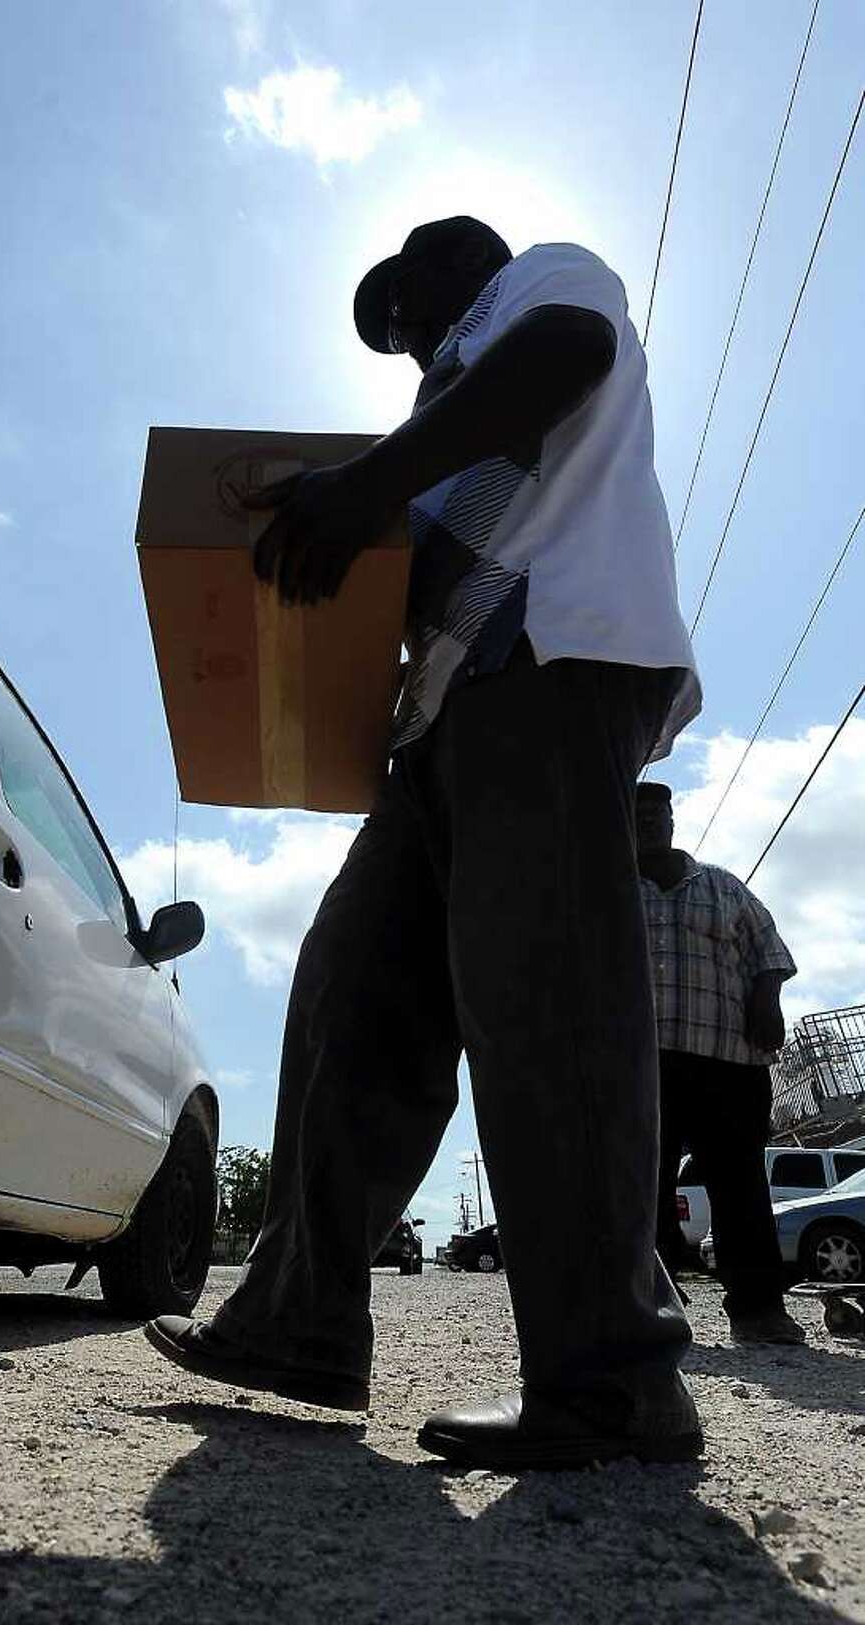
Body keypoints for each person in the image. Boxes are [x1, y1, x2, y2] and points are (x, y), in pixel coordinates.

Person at [146, 216, 705, 1470]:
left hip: (554, 665)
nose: (403, 341)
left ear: (459, 262)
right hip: (445, 713)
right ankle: (298, 1319)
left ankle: (610, 1375)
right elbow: (390, 581)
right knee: (352, 989)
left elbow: (568, 352)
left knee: (544, 1002)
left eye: (403, 309)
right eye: (393, 333)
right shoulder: (438, 435)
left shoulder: (541, 287)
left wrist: (371, 483)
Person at [636, 781, 805, 1346]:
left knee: (739, 1182)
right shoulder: (605, 887)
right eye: (636, 815)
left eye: (658, 814)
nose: (649, 823)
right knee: (640, 1185)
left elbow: (769, 952)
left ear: (672, 821)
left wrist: (767, 1000)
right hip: (638, 1060)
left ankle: (758, 1308)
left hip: (729, 1056)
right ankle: (651, 1310)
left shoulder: (724, 886)